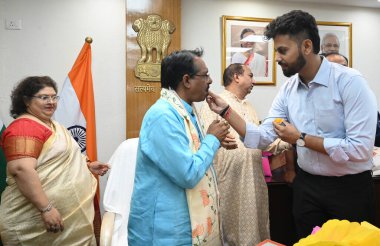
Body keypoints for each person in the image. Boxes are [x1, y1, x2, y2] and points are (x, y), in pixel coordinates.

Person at [206, 10, 377, 240]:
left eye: (282, 50)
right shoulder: (288, 90)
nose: (276, 57)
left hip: (349, 189)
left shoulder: (350, 83)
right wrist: (226, 111)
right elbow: (264, 136)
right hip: (307, 187)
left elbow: (359, 148)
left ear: (306, 46)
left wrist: (301, 138)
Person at [128, 48, 230, 245]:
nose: (210, 81)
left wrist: (213, 141)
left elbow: (191, 153)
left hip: (183, 228)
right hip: (165, 232)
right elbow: (187, 173)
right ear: (186, 80)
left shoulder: (187, 110)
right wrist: (211, 140)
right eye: (205, 75)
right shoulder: (163, 116)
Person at [0, 76, 109, 245]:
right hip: (34, 221)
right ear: (26, 101)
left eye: (54, 97)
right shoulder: (24, 127)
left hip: (67, 220)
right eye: (44, 97)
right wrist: (46, 208)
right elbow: (22, 170)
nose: (51, 102)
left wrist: (87, 166)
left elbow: (58, 160)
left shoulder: (53, 126)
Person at [200, 63, 293, 245]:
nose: (254, 81)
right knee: (231, 231)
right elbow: (205, 138)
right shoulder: (215, 103)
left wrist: (289, 141)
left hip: (254, 181)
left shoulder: (249, 107)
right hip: (230, 181)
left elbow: (260, 140)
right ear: (236, 77)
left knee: (256, 230)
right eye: (250, 75)